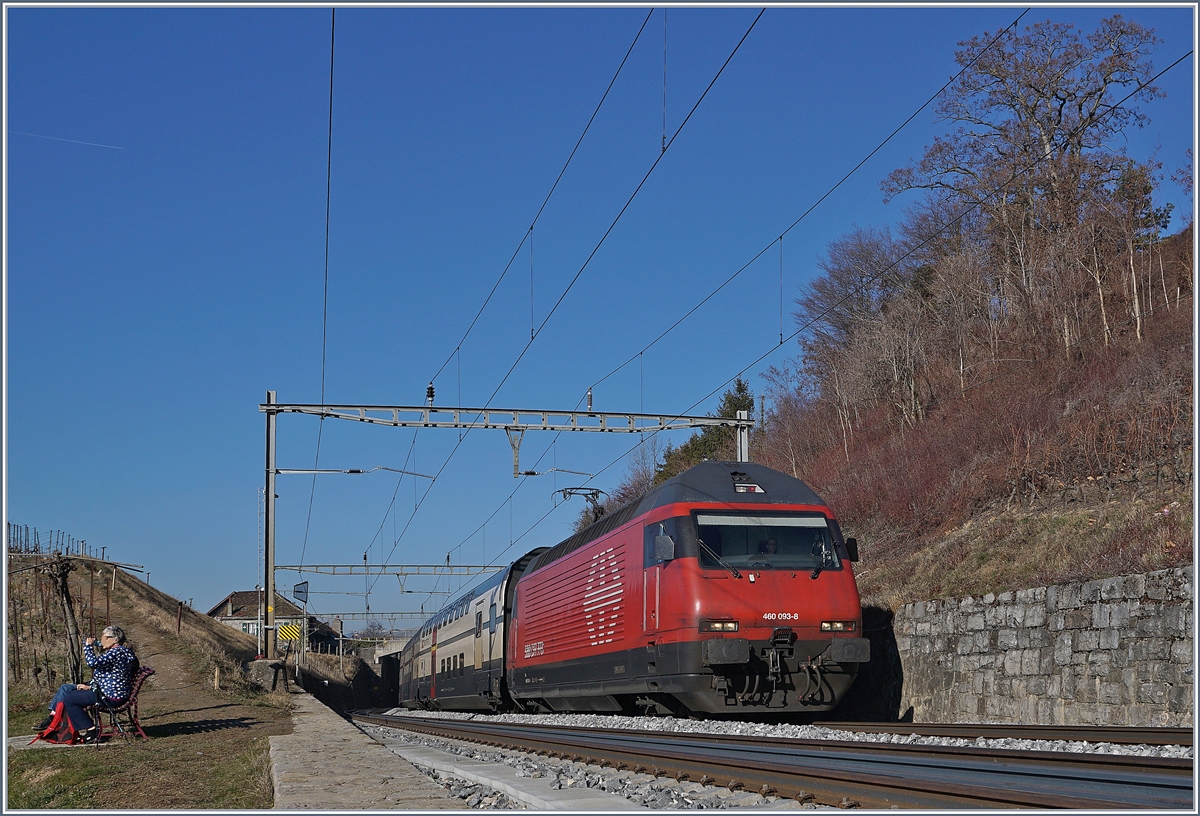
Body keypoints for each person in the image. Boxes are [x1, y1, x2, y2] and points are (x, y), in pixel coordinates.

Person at [40, 625, 137, 743]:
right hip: (109, 691)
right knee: (68, 690)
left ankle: (91, 730)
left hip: (109, 696)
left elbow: (92, 663)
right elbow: (112, 677)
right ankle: (54, 720)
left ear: (115, 639)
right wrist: (90, 686)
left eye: (104, 637)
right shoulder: (122, 652)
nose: (101, 640)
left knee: (70, 699)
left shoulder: (115, 653)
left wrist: (88, 646)